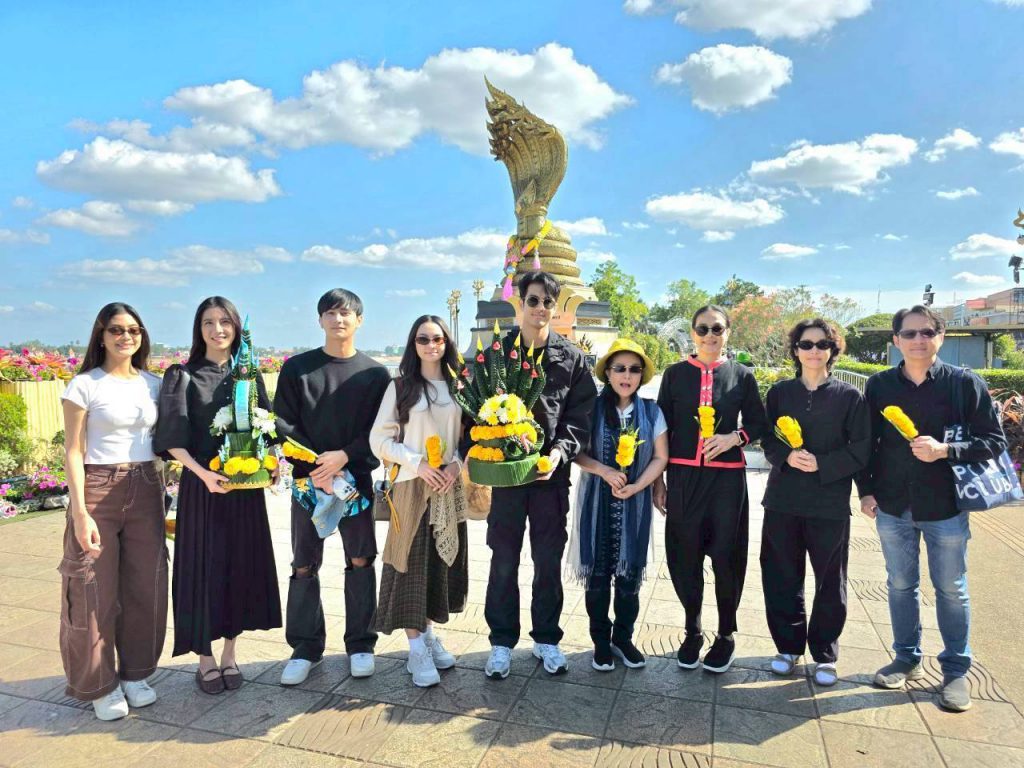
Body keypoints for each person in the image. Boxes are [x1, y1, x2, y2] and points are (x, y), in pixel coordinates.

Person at [857, 305, 1006, 712]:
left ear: (941, 336)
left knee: (951, 589)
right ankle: (906, 657)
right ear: (896, 341)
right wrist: (865, 491)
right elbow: (866, 443)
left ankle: (955, 669)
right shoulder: (880, 385)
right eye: (909, 333)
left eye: (927, 332)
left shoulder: (964, 384)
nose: (918, 340)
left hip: (946, 506)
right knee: (900, 585)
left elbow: (994, 441)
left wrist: (945, 450)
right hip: (893, 504)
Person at [153, 296, 281, 694]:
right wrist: (203, 474)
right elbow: (171, 439)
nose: (217, 329)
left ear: (236, 327)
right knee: (204, 570)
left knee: (239, 569)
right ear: (199, 329)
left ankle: (229, 654)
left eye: (225, 321)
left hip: (245, 491)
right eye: (208, 322)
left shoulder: (249, 376)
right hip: (203, 489)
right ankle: (205, 658)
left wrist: (273, 464)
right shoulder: (182, 375)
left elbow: (268, 427)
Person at [483, 271, 598, 679]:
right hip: (508, 479)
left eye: (548, 302)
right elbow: (477, 409)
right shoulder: (498, 354)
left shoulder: (572, 358)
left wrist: (559, 453)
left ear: (555, 306)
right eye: (533, 300)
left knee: (547, 560)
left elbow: (580, 418)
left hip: (550, 479)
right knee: (503, 559)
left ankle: (546, 638)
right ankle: (501, 641)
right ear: (521, 304)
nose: (540, 309)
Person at [274, 288, 392, 685]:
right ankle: (305, 648)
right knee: (303, 563)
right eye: (330, 313)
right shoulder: (297, 369)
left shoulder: (375, 374)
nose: (338, 319)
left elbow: (380, 430)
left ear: (359, 320)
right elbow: (283, 425)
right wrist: (316, 465)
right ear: (320, 319)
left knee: (361, 559)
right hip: (308, 482)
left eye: (346, 313)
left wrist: (344, 456)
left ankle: (361, 644)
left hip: (355, 481)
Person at [59, 302, 166, 720]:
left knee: (145, 586)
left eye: (134, 330)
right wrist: (80, 512)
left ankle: (135, 674)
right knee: (93, 590)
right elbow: (73, 450)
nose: (126, 337)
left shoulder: (154, 384)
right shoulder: (84, 385)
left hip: (147, 487)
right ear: (101, 335)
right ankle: (100, 685)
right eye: (117, 330)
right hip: (98, 489)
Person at [654, 304, 766, 674]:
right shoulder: (675, 375)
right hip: (683, 477)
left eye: (717, 329)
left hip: (726, 481)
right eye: (702, 329)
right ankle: (692, 630)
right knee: (684, 557)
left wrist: (735, 438)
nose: (709, 336)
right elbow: (661, 428)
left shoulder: (742, 375)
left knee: (726, 557)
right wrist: (658, 479)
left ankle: (726, 634)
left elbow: (758, 424)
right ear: (693, 333)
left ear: (727, 332)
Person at [760, 319, 870, 686]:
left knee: (829, 581)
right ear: (796, 350)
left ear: (833, 351)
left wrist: (824, 464)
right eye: (806, 344)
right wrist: (786, 457)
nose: (814, 351)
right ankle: (787, 646)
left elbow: (861, 449)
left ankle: (824, 652)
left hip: (829, 502)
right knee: (780, 575)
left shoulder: (849, 397)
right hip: (783, 500)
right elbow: (767, 438)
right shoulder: (780, 393)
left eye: (822, 344)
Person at [369, 315, 468, 687]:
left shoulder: (459, 386)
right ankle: (415, 650)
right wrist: (419, 464)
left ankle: (428, 635)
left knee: (437, 566)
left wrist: (455, 465)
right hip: (412, 486)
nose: (431, 345)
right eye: (423, 339)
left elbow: (469, 437)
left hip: (448, 486)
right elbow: (379, 440)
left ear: (446, 343)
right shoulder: (401, 387)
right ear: (413, 344)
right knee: (409, 565)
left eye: (437, 339)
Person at [570, 339, 668, 671]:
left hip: (635, 505)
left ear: (641, 375)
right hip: (596, 502)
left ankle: (623, 639)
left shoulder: (652, 412)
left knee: (629, 579)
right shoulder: (592, 409)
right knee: (598, 578)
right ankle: (600, 642)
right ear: (608, 374)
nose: (627, 376)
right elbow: (576, 452)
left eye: (634, 369)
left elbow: (661, 456)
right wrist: (605, 471)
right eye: (620, 369)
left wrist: (640, 486)